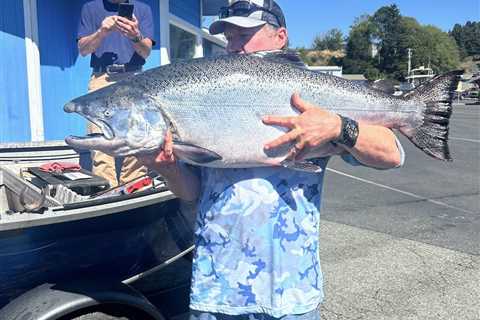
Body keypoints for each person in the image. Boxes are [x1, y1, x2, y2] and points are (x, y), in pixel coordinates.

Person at [143, 0, 405, 319]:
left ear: (280, 36)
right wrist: (167, 169)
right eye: (229, 36)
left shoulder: (313, 96)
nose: (234, 45)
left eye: (245, 34)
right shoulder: (205, 96)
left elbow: (391, 154)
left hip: (293, 296)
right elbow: (192, 192)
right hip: (217, 293)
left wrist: (339, 125)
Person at [77, 0, 155, 187]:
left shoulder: (143, 10)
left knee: (138, 131)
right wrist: (102, 31)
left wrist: (135, 35)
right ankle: (106, 187)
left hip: (134, 77)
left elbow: (146, 52)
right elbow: (83, 50)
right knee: (99, 133)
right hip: (102, 77)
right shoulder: (90, 9)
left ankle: (133, 185)